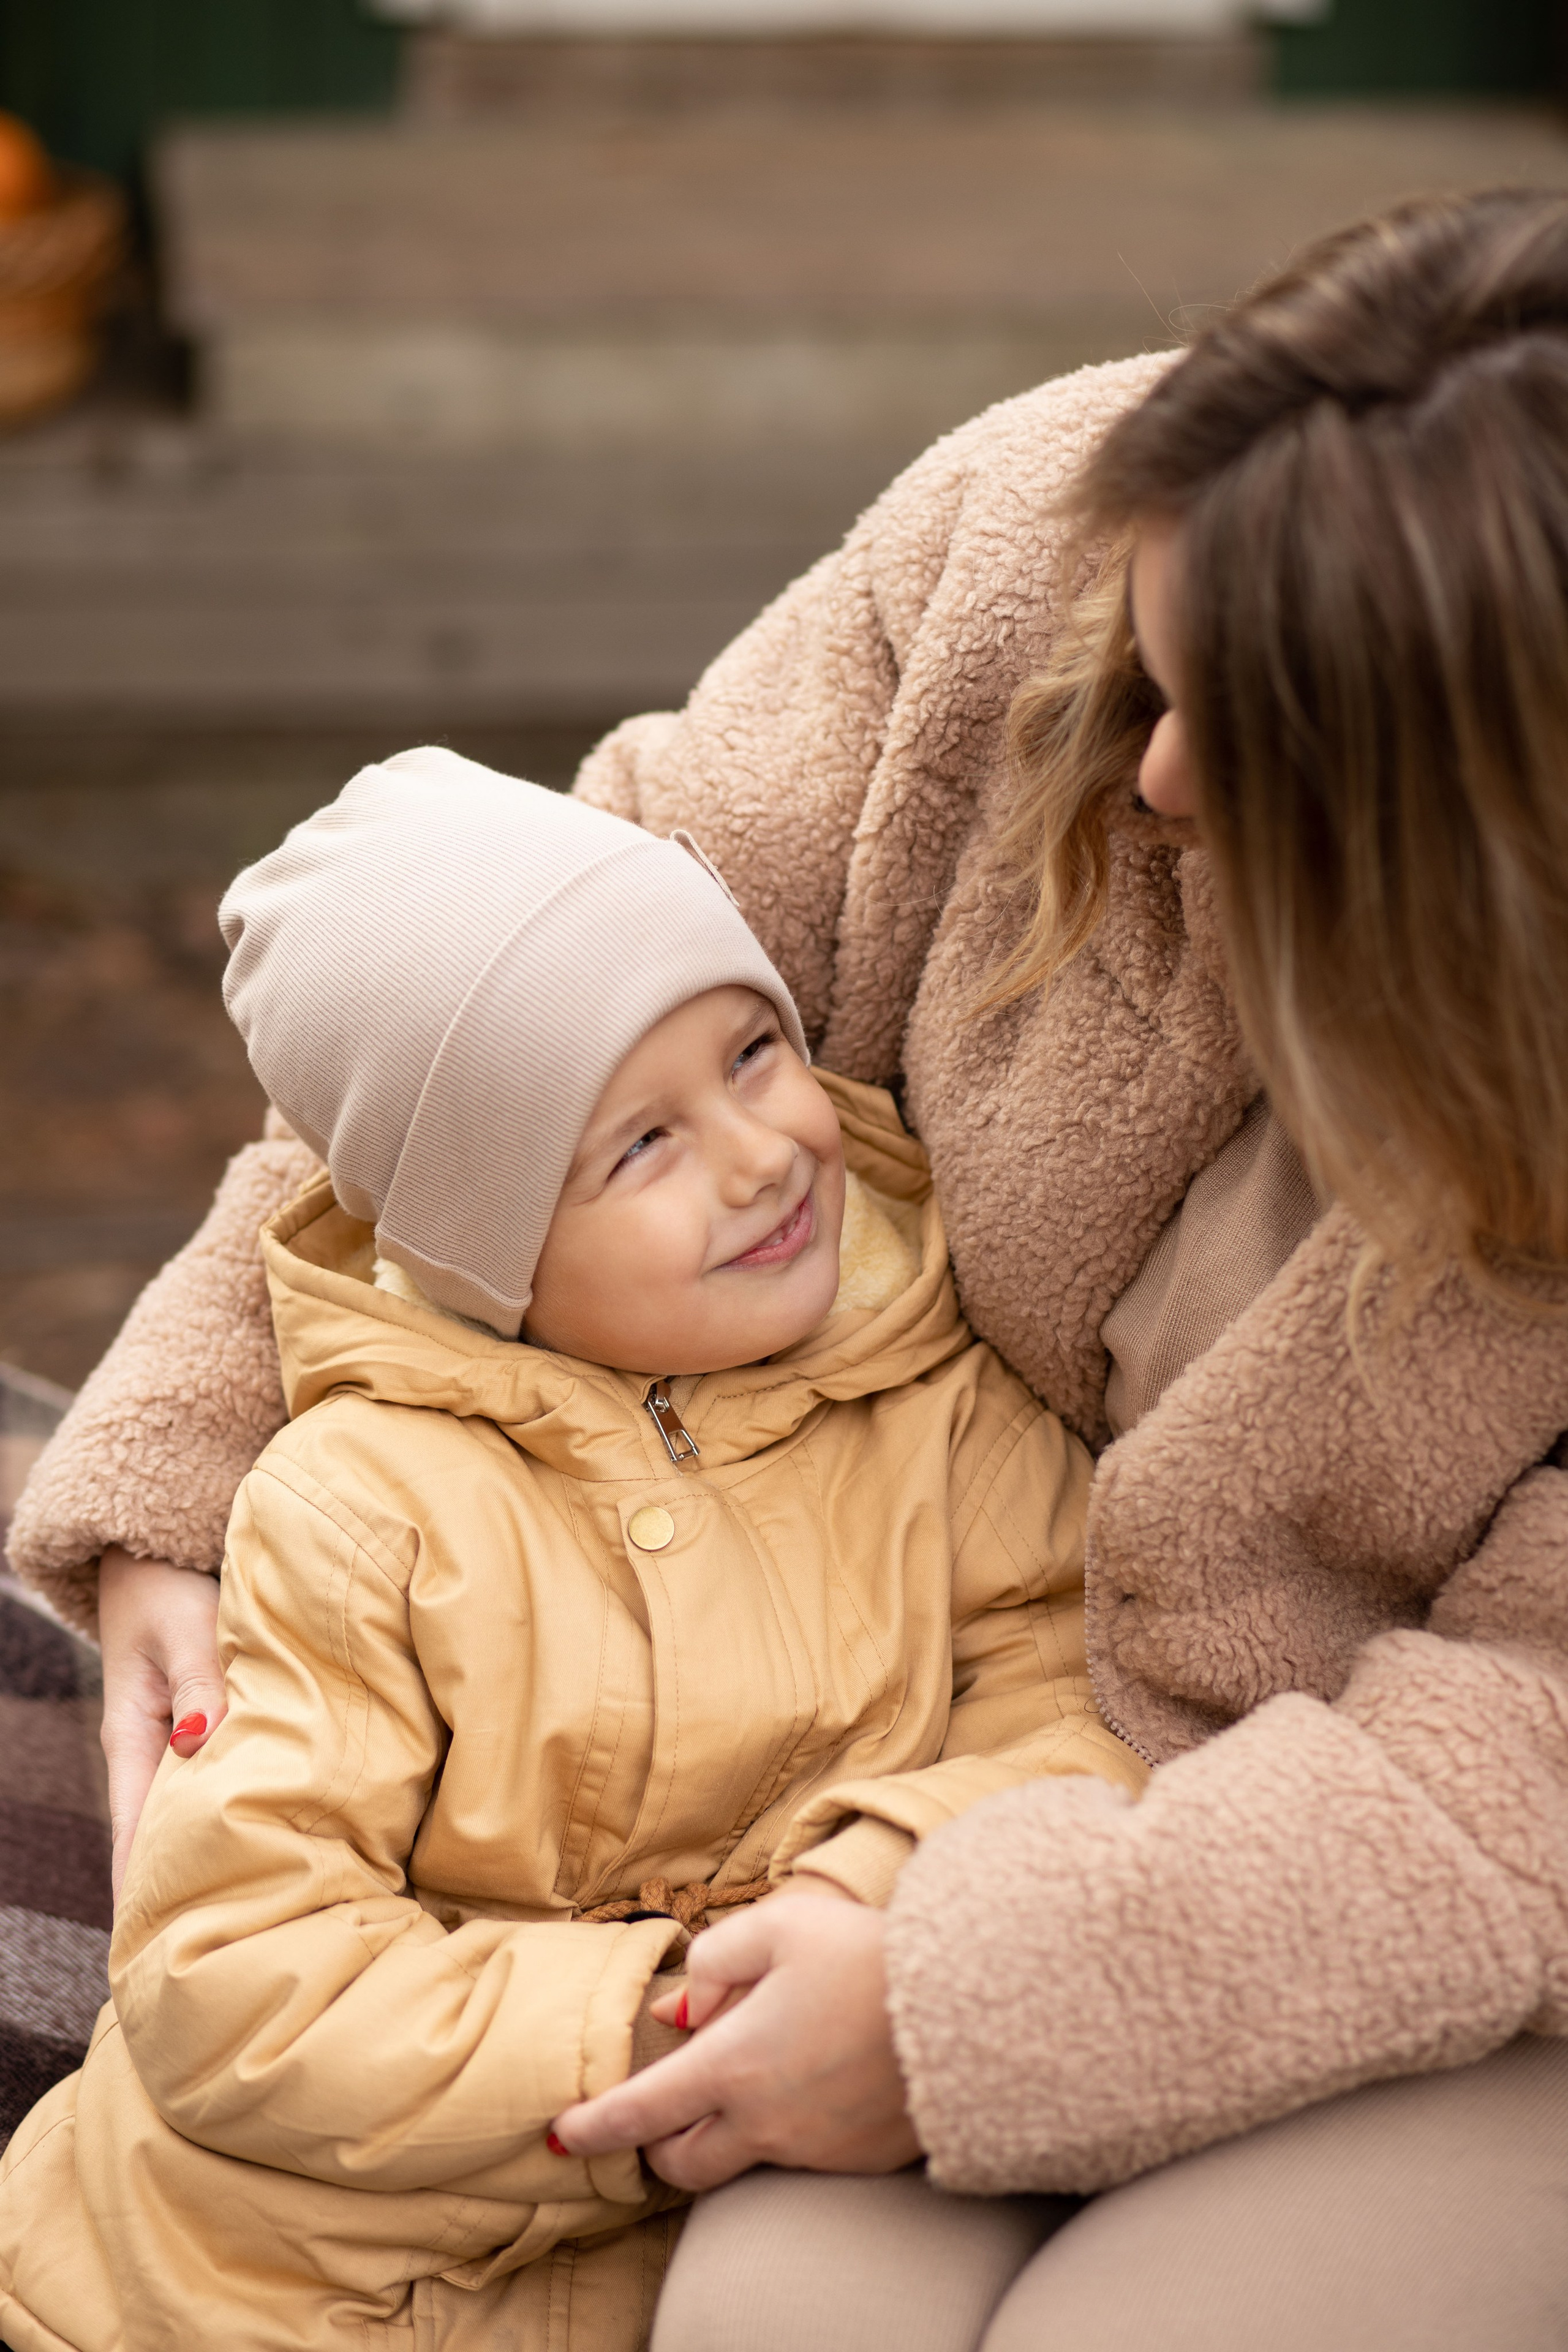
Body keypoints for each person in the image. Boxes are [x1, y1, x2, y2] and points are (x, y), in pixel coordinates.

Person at [9, 183, 1568, 2345]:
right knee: (778, 2313)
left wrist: (972, 1996)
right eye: (1154, 665)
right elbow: (525, 960)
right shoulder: (1036, 545)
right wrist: (185, 1462)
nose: (1163, 780)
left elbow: (1533, 1757)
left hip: (1435, 1904)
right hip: (955, 1774)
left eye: (1270, 742)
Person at [0, 750, 1138, 2352]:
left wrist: (881, 1884)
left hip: (665, 2268)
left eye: (753, 1053)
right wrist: (671, 2019)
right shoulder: (362, 1508)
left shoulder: (931, 1395)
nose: (759, 1154)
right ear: (488, 1256)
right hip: (236, 2294)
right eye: (641, 1149)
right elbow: (230, 1980)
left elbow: (1074, 1699)